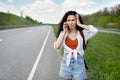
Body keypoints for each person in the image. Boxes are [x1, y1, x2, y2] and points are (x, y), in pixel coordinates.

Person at [54, 10, 98, 80]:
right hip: (66, 62)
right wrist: (64, 32)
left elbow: (95, 30)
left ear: (76, 20)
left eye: (73, 20)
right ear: (66, 22)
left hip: (79, 63)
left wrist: (79, 24)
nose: (71, 22)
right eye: (68, 20)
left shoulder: (83, 33)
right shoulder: (63, 33)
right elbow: (57, 46)